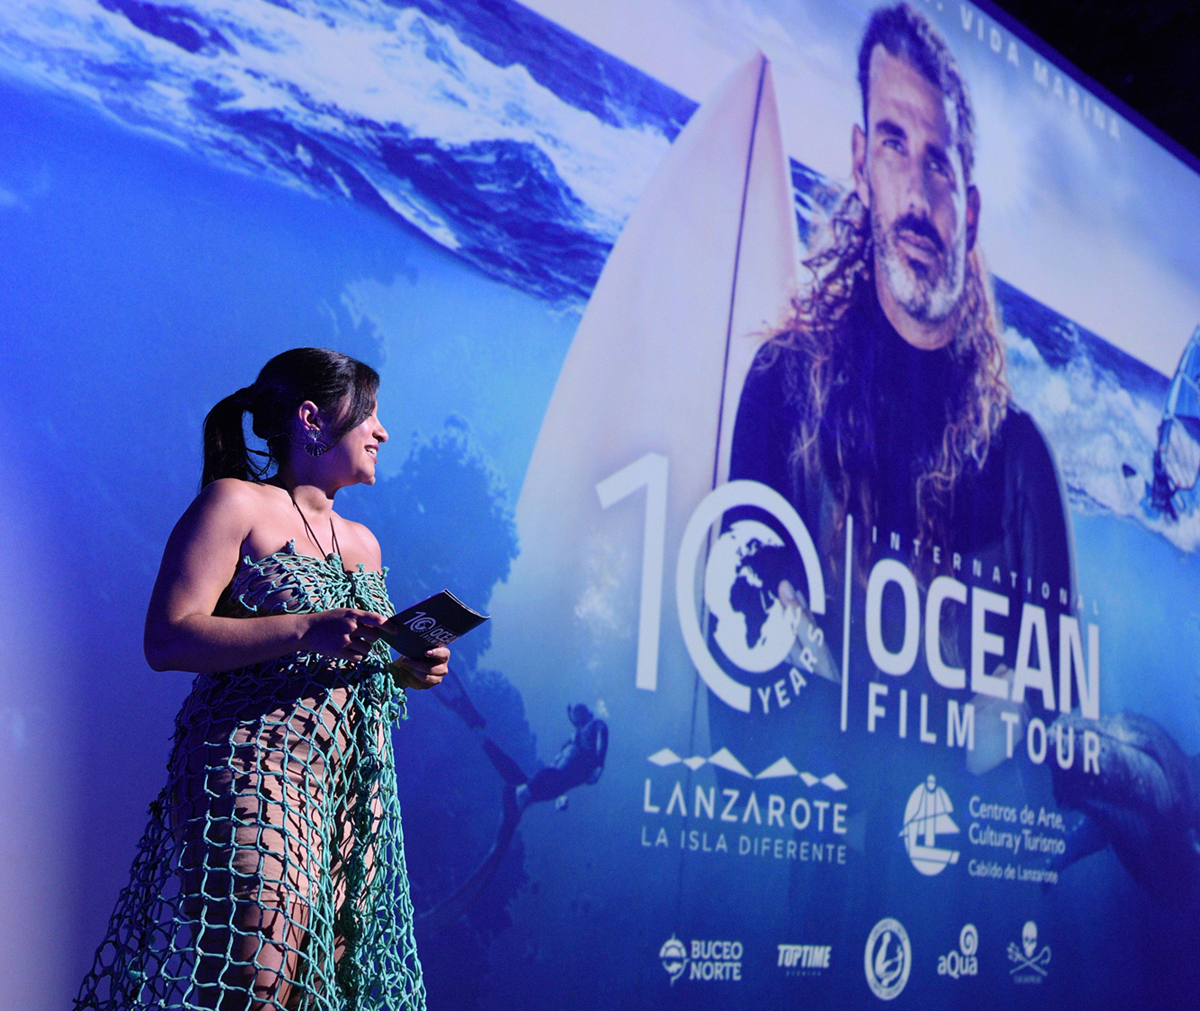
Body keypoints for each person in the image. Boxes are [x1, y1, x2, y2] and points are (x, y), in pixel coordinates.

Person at [75, 348, 448, 1011]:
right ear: (311, 418)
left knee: (323, 989)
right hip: (253, 766)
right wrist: (305, 627)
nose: (382, 431)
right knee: (259, 988)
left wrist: (408, 668)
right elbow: (166, 636)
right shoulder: (235, 503)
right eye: (368, 411)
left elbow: (349, 665)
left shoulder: (365, 544)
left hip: (349, 789)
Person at [730, 3, 1074, 685]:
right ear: (861, 165)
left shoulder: (1021, 466)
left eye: (939, 164)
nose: (916, 195)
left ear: (971, 212)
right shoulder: (783, 390)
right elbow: (746, 670)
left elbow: (1048, 719)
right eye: (893, 145)